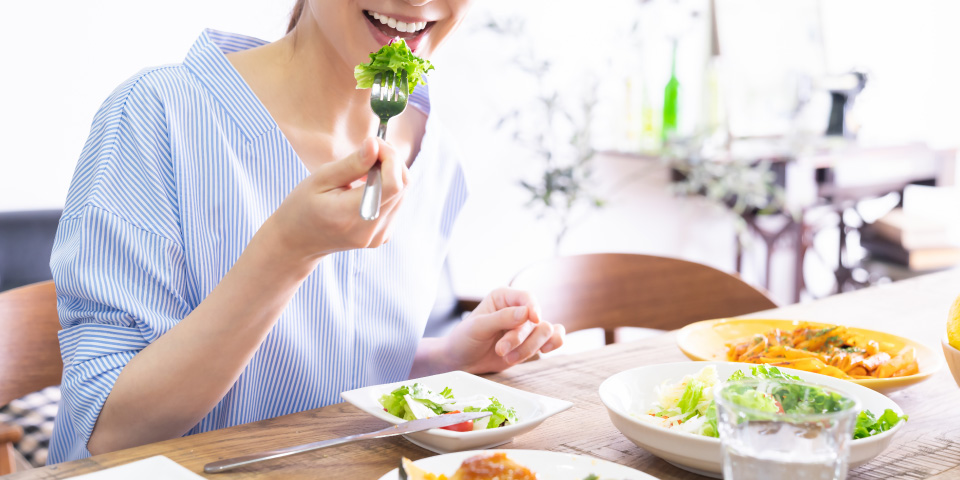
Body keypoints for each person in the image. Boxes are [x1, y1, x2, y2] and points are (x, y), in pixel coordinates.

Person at [48, 0, 565, 463]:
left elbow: (331, 369)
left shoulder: (436, 153)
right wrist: (287, 251)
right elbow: (110, 431)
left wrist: (447, 357)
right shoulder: (157, 115)